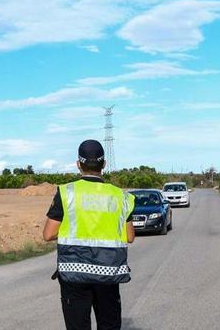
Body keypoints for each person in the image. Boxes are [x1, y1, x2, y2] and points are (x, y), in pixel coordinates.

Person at [42, 139, 135, 330]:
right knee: (109, 325)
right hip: (108, 274)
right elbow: (129, 236)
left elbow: (48, 234)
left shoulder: (67, 192)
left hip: (74, 274)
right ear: (104, 165)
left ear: (78, 164)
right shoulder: (120, 196)